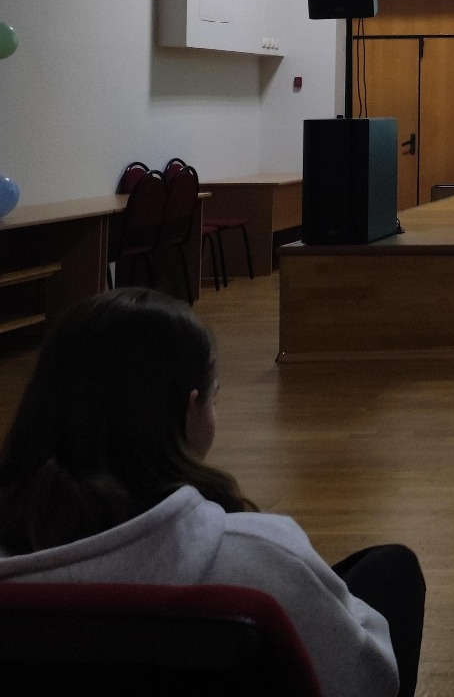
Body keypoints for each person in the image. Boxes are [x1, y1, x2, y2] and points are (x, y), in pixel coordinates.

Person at [0, 288, 424, 697]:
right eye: (214, 399)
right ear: (190, 409)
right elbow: (367, 681)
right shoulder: (261, 556)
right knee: (391, 569)